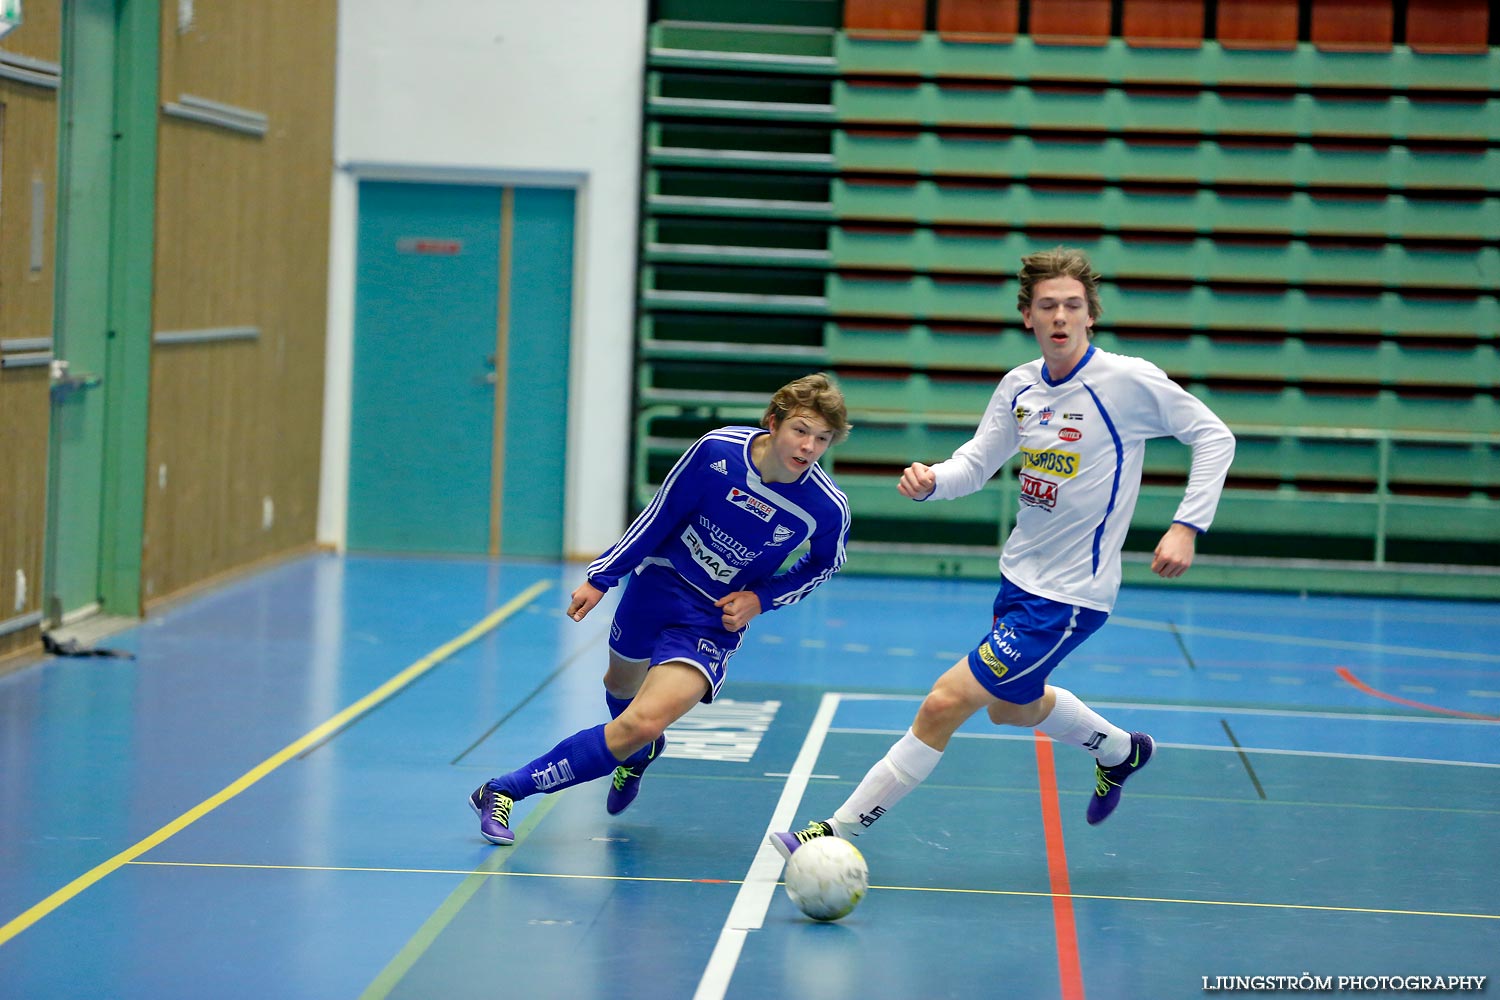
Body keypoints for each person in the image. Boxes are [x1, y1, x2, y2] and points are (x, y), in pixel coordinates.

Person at [770, 247, 1236, 858]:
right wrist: (935, 479)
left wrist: (1185, 526)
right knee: (1012, 710)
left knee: (945, 702)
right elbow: (978, 461)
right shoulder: (1020, 386)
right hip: (1018, 579)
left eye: (1073, 305)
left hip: (1070, 595)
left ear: (1090, 314)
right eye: (1048, 306)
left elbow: (1214, 435)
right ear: (1028, 317)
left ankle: (835, 832)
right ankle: (1122, 751)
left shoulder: (1126, 382)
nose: (1061, 316)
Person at [471, 373, 853, 845]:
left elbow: (823, 565)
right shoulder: (717, 453)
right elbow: (660, 514)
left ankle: (503, 790)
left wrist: (760, 599)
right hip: (656, 584)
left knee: (641, 722)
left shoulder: (826, 507)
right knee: (620, 688)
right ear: (773, 422)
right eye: (800, 430)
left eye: (822, 438)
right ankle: (635, 756)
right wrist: (602, 576)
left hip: (711, 618)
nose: (809, 447)